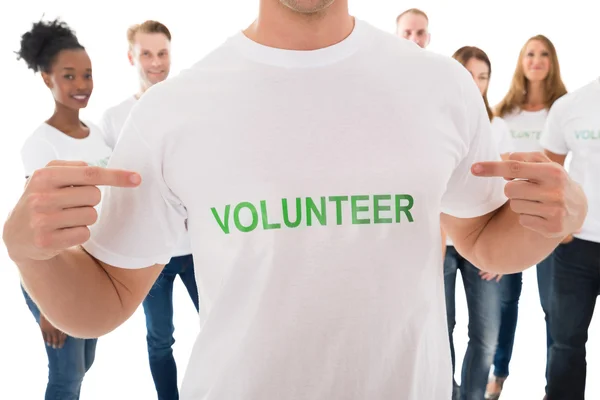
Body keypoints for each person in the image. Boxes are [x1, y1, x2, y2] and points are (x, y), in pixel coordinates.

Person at [3, 2, 587, 400]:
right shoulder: (173, 110)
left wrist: (554, 219)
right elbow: (104, 301)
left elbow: (483, 237)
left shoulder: (440, 86)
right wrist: (29, 252)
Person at [99, 20, 199, 400]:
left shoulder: (190, 107)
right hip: (149, 255)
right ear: (131, 57)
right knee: (160, 339)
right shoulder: (113, 119)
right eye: (146, 53)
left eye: (162, 53)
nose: (156, 62)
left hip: (196, 247)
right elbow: (114, 193)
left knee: (219, 326)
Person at [14, 18, 111, 400]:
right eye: (69, 76)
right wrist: (48, 306)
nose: (82, 85)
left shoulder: (97, 132)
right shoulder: (41, 145)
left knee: (83, 366)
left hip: (89, 271)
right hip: (54, 275)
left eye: (87, 74)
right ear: (45, 77)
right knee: (66, 377)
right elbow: (39, 227)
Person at [486, 34, 567, 400]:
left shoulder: (563, 111)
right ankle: (498, 374)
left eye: (544, 54)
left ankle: (555, 385)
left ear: (552, 62)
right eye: (530, 54)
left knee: (554, 308)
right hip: (511, 221)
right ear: (521, 61)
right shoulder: (503, 115)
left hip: (551, 224)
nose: (536, 60)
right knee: (504, 303)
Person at [443, 46, 512, 400]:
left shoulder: (497, 128)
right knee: (442, 330)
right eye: (469, 74)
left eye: (482, 77)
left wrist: (499, 251)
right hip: (441, 244)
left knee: (485, 335)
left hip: (481, 246)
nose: (475, 83)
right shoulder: (435, 123)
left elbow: (509, 192)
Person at [540, 77, 600, 400]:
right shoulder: (572, 106)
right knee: (565, 343)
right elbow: (550, 173)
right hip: (575, 248)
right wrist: (560, 231)